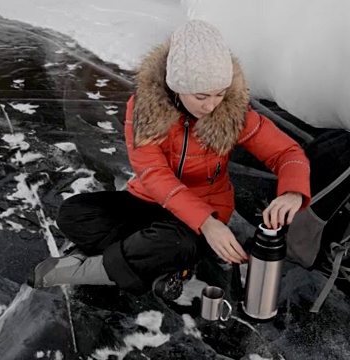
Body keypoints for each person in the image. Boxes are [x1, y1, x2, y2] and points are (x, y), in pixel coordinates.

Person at [27, 19, 311, 301]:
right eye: (201, 96)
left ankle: (88, 269)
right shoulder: (144, 109)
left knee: (178, 243)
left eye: (220, 94)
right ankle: (154, 264)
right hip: (150, 199)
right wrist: (208, 227)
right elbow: (152, 173)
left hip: (205, 211)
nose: (212, 105)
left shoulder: (233, 112)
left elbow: (287, 153)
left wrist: (292, 192)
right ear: (176, 86)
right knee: (74, 213)